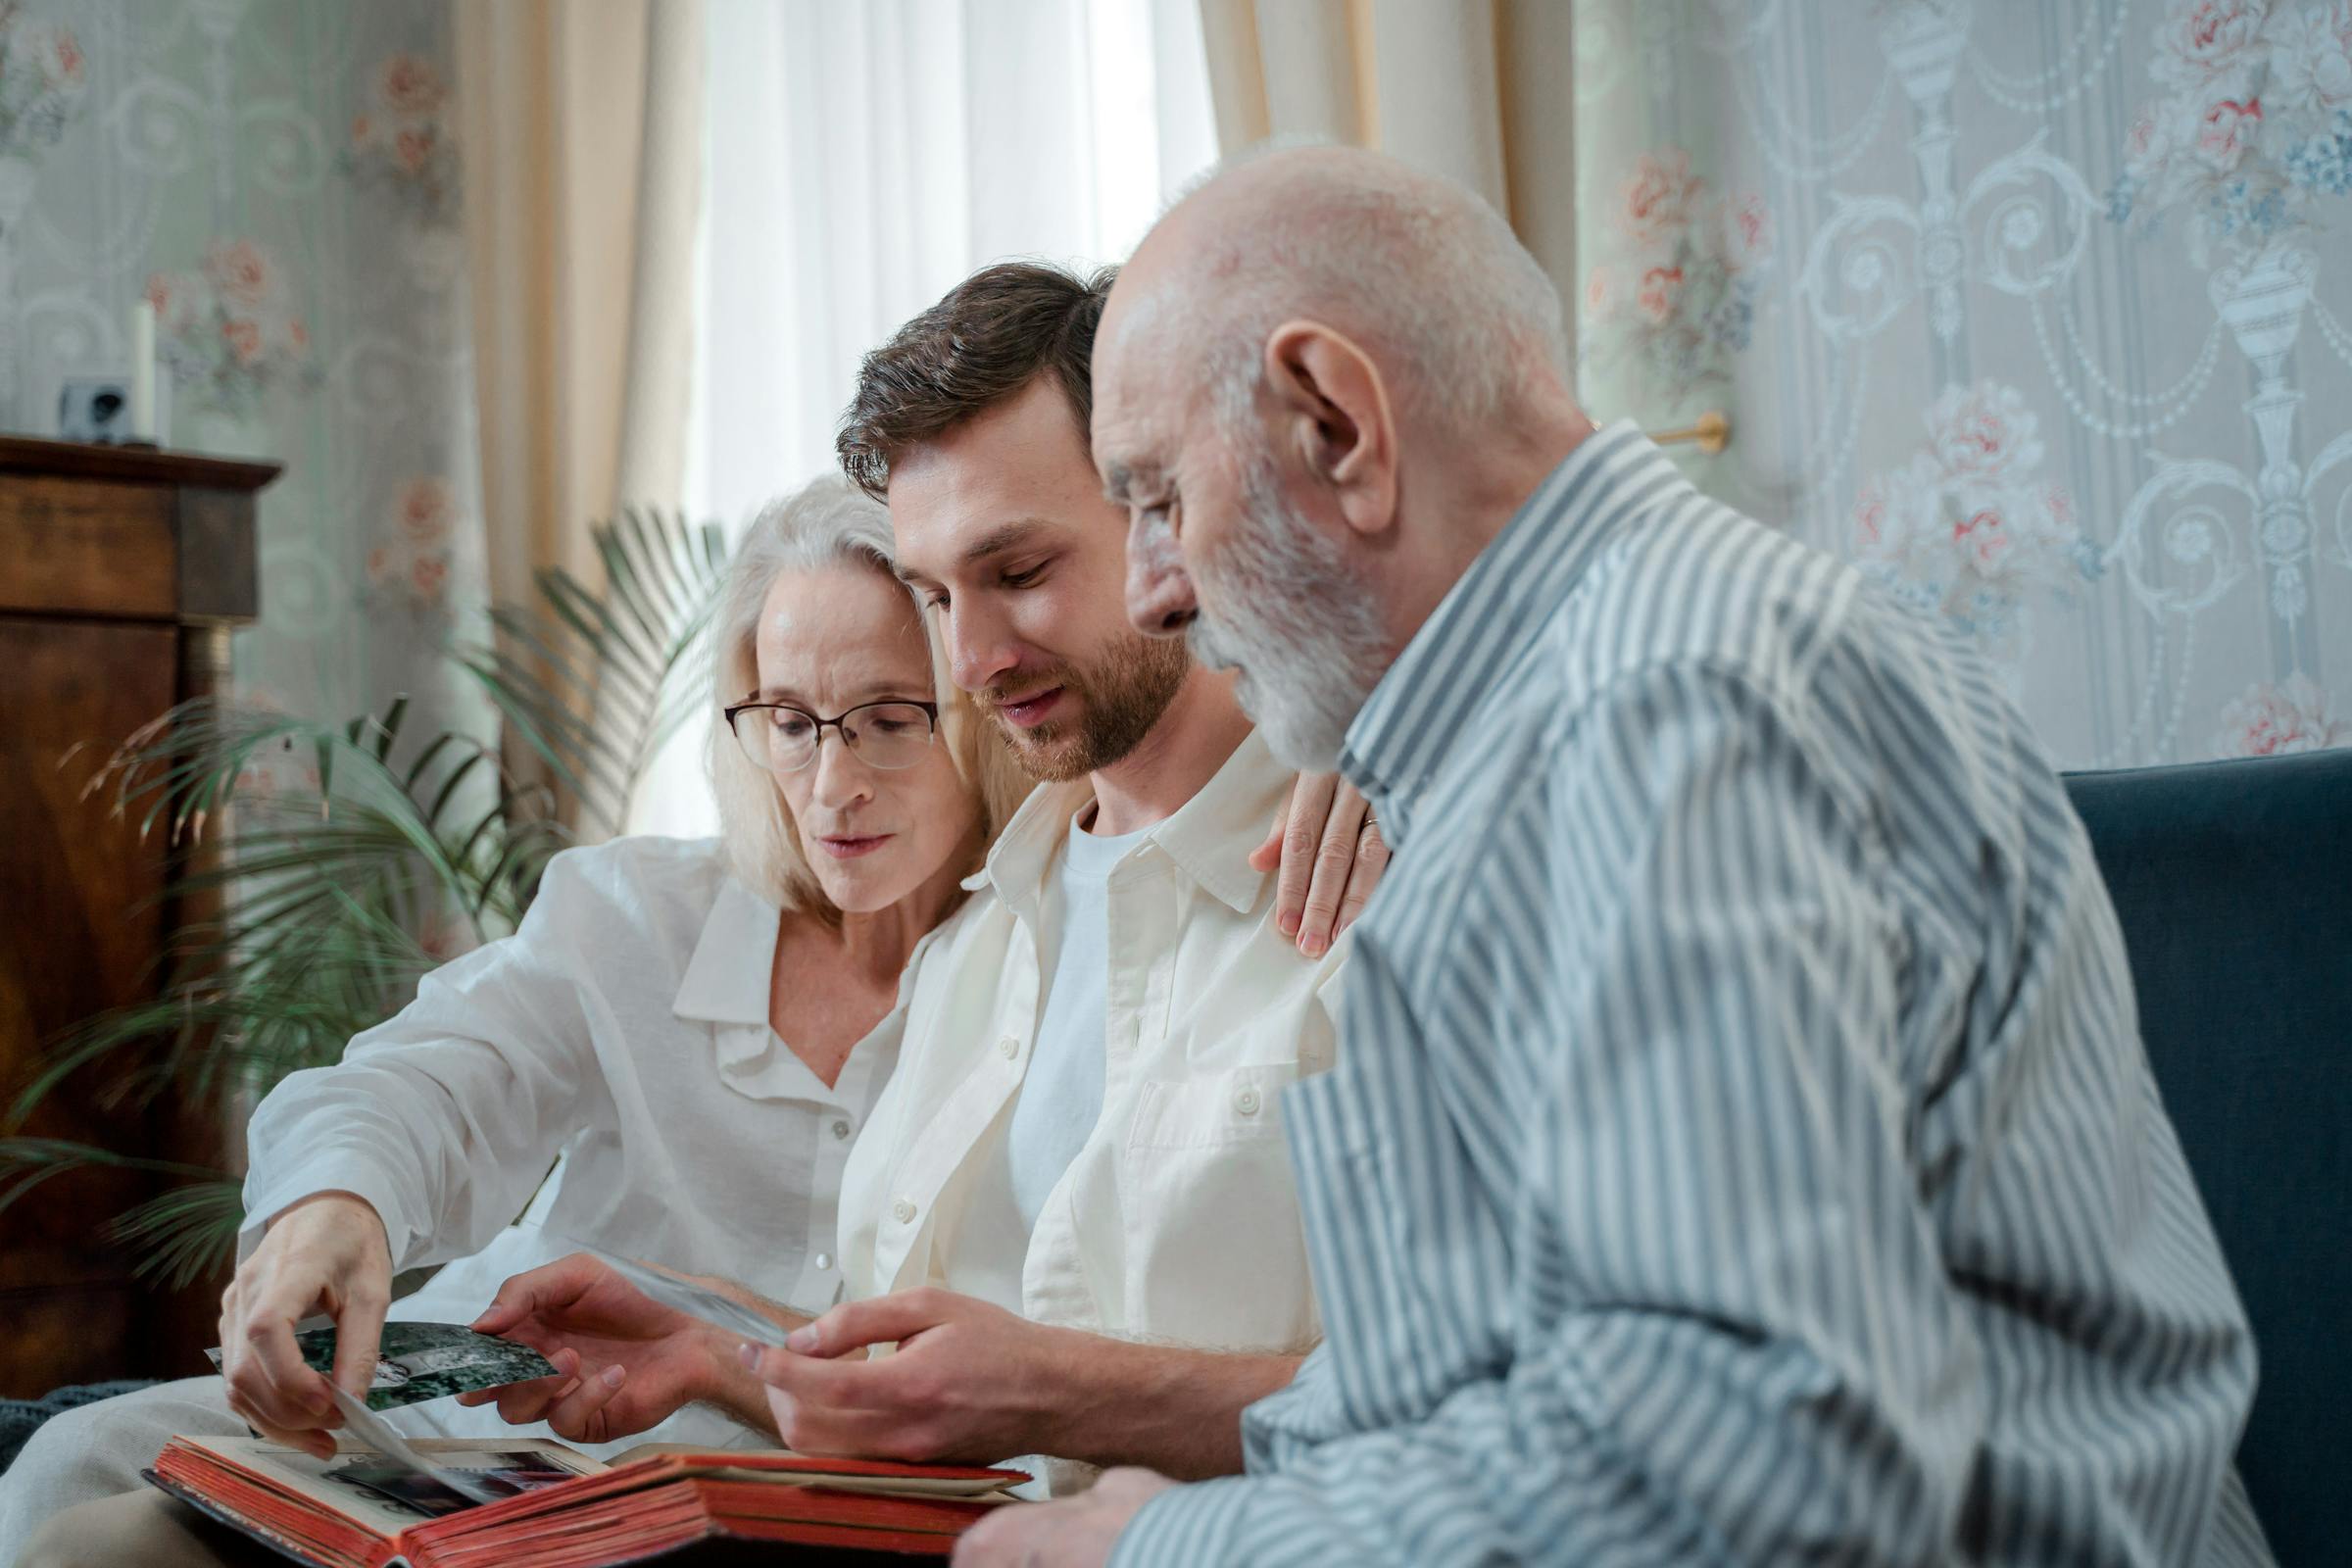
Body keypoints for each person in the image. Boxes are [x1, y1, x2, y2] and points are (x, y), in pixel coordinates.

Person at [957, 146, 2273, 1567]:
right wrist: (1216, 1493)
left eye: (1157, 498)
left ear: (1338, 422)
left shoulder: (1660, 712)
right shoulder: (1573, 713)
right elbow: (1528, 1367)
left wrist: (1158, 1558)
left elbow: (1741, 1476)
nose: (1154, 590)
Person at [5, 466, 1367, 1565]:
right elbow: (423, 1081)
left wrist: (1357, 745)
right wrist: (335, 1205)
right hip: (492, 1415)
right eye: (789, 719)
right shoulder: (636, 915)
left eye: (891, 718)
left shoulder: (1040, 950)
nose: (830, 784)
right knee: (72, 1467)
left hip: (753, 1476)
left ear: (981, 705)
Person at [469, 261, 1383, 1492]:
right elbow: (944, 1392)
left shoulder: (1379, 863)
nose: (975, 658)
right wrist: (715, 1351)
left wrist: (1061, 1391)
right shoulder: (981, 945)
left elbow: (1518, 1403)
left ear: (1182, 514)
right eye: (939, 594)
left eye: (1017, 573)